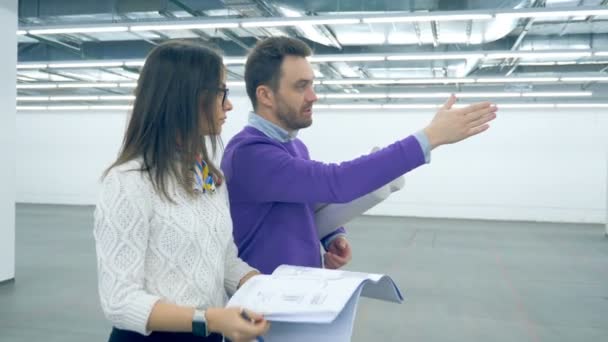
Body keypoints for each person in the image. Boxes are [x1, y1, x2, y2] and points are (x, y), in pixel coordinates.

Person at [221, 37, 498, 275]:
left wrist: (333, 235)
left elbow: (311, 202)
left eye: (312, 84)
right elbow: (337, 182)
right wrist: (430, 137)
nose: (313, 96)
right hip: (261, 309)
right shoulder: (250, 154)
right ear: (265, 95)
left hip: (295, 293)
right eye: (300, 86)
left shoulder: (292, 146)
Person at [93, 40, 269, 342]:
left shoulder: (208, 177)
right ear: (186, 97)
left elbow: (224, 260)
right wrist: (210, 318)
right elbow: (120, 301)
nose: (228, 104)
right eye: (221, 92)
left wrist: (265, 287)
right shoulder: (127, 182)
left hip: (210, 333)